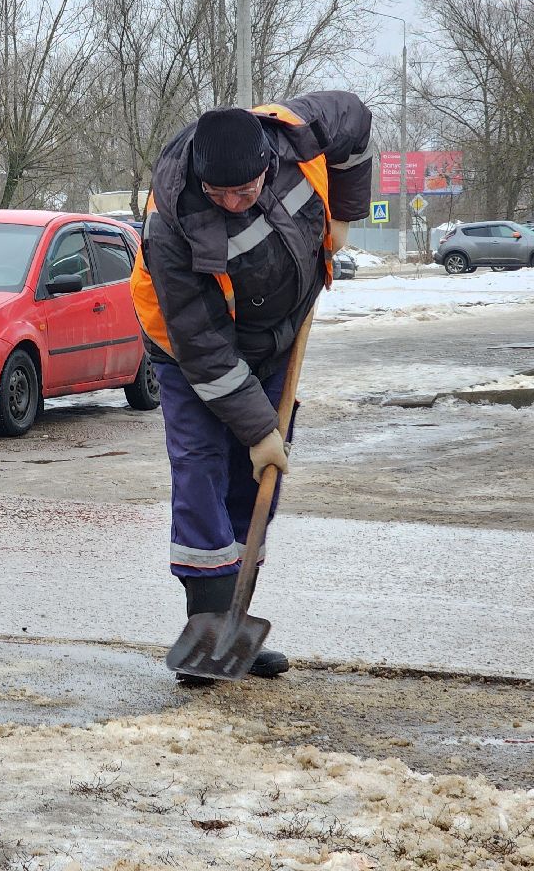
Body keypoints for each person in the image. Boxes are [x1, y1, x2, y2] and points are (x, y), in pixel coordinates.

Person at [130, 96, 372, 682]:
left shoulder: (295, 133)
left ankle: (235, 625)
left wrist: (344, 211)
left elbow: (355, 122)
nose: (234, 203)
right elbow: (201, 344)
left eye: (244, 191)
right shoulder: (173, 222)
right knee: (201, 470)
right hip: (189, 347)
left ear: (268, 163)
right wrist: (260, 428)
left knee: (257, 477)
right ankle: (209, 627)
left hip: (278, 334)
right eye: (221, 195)